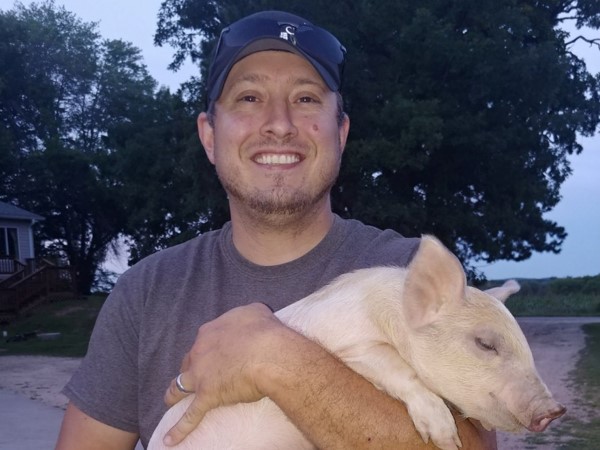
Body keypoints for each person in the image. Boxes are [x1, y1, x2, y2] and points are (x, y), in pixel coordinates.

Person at [55, 10, 496, 450]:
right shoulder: (146, 293)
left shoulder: (412, 277)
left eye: (305, 99)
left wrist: (275, 359)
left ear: (340, 133)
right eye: (249, 98)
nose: (280, 124)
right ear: (209, 136)